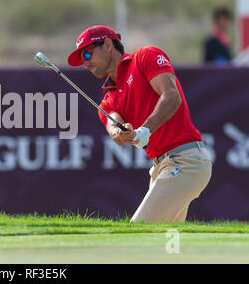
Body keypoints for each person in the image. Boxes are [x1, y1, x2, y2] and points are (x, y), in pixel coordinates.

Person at [67, 25, 212, 223]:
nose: (85, 63)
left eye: (87, 54)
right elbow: (114, 127)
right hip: (163, 167)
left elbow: (171, 96)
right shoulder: (107, 100)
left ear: (108, 45)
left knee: (139, 229)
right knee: (163, 243)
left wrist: (145, 130)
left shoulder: (144, 57)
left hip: (186, 161)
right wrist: (121, 133)